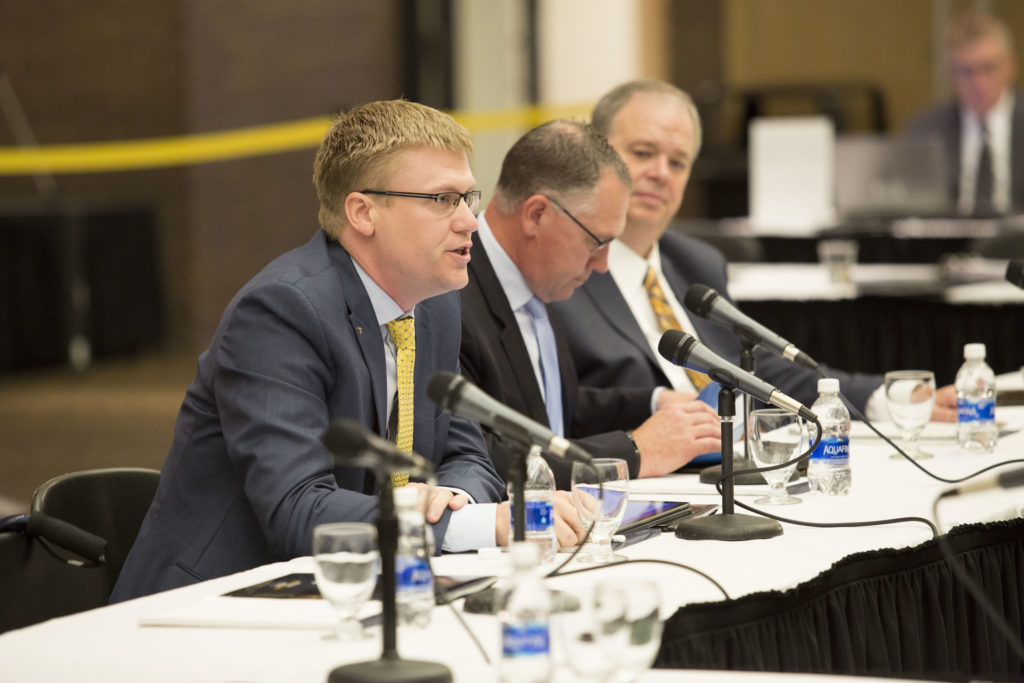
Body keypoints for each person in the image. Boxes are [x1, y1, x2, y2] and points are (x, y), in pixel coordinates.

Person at [112, 100, 584, 602]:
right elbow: (297, 511)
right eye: (443, 200)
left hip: (360, 592)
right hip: (213, 608)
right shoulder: (281, 312)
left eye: (468, 196)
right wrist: (482, 524)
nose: (470, 220)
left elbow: (466, 454)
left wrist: (455, 504)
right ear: (363, 212)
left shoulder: (437, 305)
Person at [549, 79, 957, 421]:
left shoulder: (696, 264)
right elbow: (563, 405)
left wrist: (888, 397)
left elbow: (762, 371)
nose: (660, 173)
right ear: (595, 152)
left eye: (678, 162)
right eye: (642, 153)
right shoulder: (563, 275)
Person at [459, 119, 721, 490]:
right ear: (537, 215)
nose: (602, 265)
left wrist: (653, 402)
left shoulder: (537, 273)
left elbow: (550, 412)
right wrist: (636, 451)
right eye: (597, 242)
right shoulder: (450, 294)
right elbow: (481, 458)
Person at [906, 11, 1023, 216]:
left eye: (989, 68)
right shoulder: (925, 131)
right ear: (950, 73)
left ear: (1010, 66)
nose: (978, 83)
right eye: (967, 71)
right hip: (950, 242)